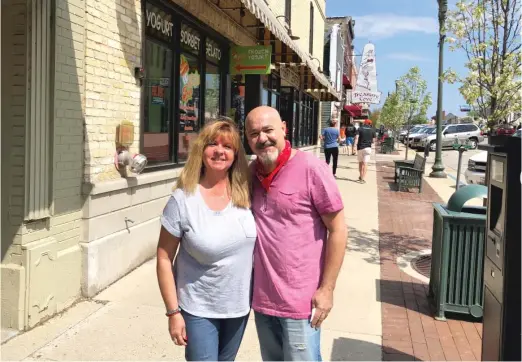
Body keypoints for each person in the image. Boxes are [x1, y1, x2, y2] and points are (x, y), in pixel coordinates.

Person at [245, 106, 347, 361]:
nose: (262, 138)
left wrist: (327, 288)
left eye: (268, 130)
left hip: (301, 303)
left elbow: (337, 229)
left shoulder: (312, 168)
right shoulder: (251, 174)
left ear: (284, 129)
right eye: (254, 133)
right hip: (262, 300)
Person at [156, 118, 255, 361]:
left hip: (239, 307)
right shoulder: (183, 200)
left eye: (228, 146)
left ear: (235, 154)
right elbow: (163, 257)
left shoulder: (247, 193)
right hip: (198, 308)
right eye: (213, 144)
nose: (220, 151)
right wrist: (173, 313)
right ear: (201, 149)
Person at [355, 119, 375, 184]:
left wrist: (355, 146)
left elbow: (356, 137)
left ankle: (360, 176)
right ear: (369, 124)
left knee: (360, 163)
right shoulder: (372, 130)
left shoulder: (360, 129)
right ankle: (363, 178)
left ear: (364, 123)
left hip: (360, 147)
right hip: (368, 148)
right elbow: (374, 141)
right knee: (365, 163)